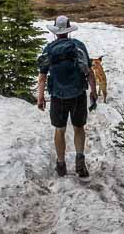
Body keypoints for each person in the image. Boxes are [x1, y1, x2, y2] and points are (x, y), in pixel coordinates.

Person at [37, 16, 98, 178]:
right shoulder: (78, 46)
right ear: (69, 31)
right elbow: (89, 72)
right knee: (79, 128)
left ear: (56, 32)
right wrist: (93, 90)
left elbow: (42, 76)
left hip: (58, 96)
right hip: (78, 94)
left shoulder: (49, 49)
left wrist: (40, 97)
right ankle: (80, 162)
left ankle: (61, 164)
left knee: (60, 129)